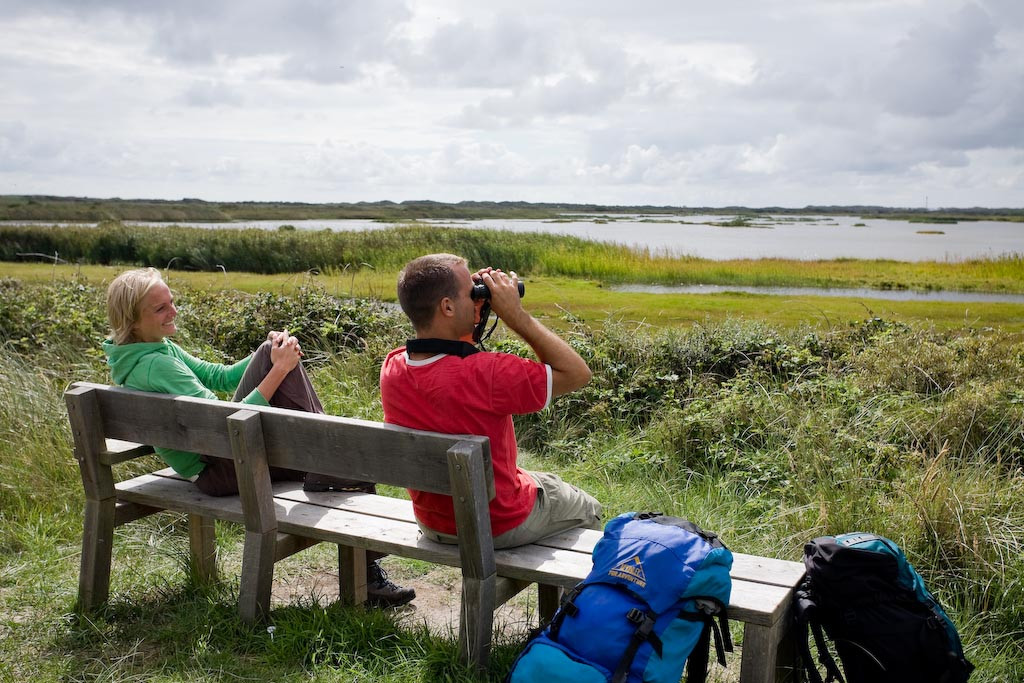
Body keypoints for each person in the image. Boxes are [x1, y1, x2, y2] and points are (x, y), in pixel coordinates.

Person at [102, 267, 414, 607]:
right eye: (160, 308)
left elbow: (219, 376)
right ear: (132, 320)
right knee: (341, 461)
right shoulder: (157, 365)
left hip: (214, 457)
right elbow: (224, 427)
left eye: (171, 302)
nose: (173, 311)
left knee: (271, 355)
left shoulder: (147, 351)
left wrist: (269, 355)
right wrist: (278, 369)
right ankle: (361, 559)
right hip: (219, 468)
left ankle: (328, 462)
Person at [380, 254, 603, 549]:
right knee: (588, 506)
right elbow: (577, 373)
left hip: (434, 522)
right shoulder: (489, 373)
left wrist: (469, 308)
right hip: (497, 523)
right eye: (470, 293)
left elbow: (450, 358)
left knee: (541, 480)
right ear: (447, 307)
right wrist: (515, 315)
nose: (477, 298)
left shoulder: (393, 367)